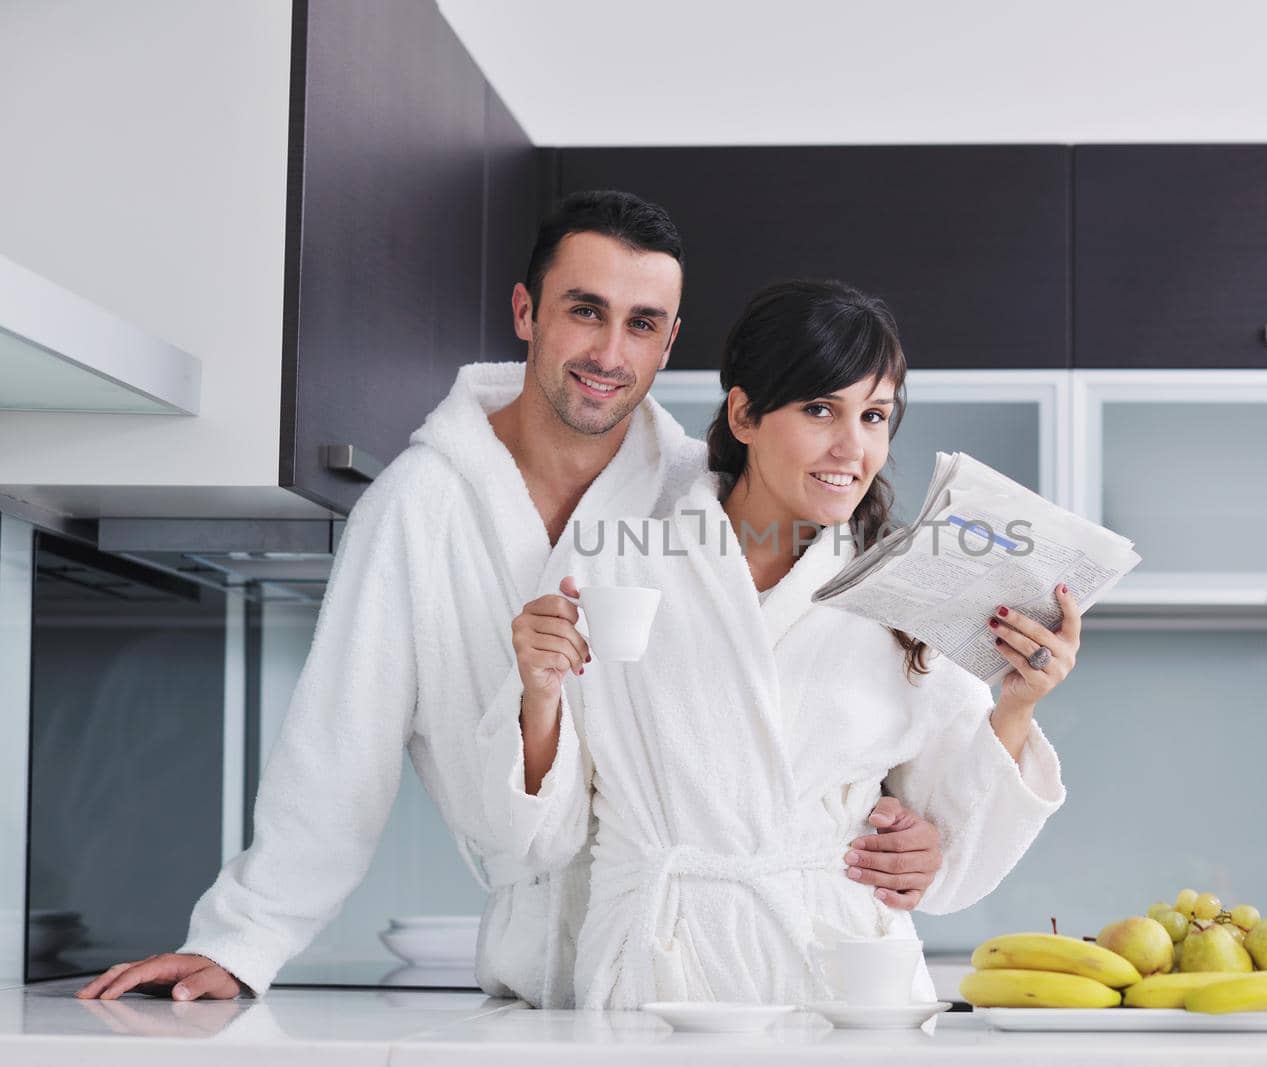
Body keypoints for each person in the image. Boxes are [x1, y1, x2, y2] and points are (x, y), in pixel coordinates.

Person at [78, 193, 947, 1005]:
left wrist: (922, 830)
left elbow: (824, 683)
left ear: (669, 342)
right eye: (584, 310)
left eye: (641, 324)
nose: (611, 353)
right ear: (527, 311)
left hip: (712, 975)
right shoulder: (420, 507)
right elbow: (340, 743)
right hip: (538, 963)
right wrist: (241, 941)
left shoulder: (705, 496)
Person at [507, 280, 1073, 1008]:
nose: (853, 446)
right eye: (819, 409)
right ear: (744, 414)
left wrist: (1017, 706)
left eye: (874, 415)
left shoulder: (903, 592)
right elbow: (543, 836)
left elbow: (952, 850)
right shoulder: (618, 565)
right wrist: (539, 691)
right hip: (655, 975)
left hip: (840, 978)